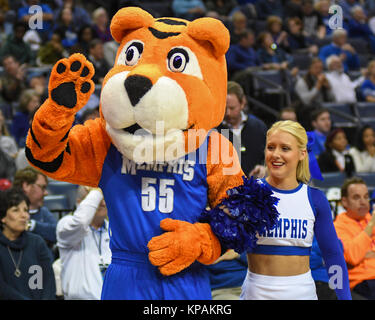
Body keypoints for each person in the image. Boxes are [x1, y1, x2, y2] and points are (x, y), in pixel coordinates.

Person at [240, 120, 351, 300]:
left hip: (302, 293)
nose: (276, 154)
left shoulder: (315, 199)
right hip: (256, 292)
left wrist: (344, 297)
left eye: (285, 148)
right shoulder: (249, 192)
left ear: (302, 153)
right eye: (271, 147)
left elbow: (332, 255)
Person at [0, 188, 56, 300]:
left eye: (26, 210)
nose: (24, 215)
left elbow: (48, 282)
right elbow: (2, 289)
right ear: (3, 217)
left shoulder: (37, 243)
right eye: (16, 210)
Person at [57, 186, 111, 300]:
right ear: (80, 203)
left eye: (104, 198)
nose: (103, 204)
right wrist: (97, 191)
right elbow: (81, 222)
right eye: (97, 199)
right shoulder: (65, 224)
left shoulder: (113, 230)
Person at [334, 177, 375, 299]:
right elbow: (353, 256)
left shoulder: (370, 218)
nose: (363, 202)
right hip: (364, 283)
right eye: (356, 197)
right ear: (344, 202)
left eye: (366, 196)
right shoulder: (338, 226)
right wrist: (371, 225)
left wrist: (367, 253)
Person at [217, 81, 267, 177]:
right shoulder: (214, 130)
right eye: (224, 108)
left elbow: (267, 156)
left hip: (254, 187)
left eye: (232, 108)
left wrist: (264, 168)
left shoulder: (259, 127)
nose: (228, 113)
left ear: (242, 103)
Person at [12, 167, 57, 259]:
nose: (46, 193)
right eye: (42, 187)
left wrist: (32, 225)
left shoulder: (43, 211)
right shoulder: (6, 212)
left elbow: (58, 233)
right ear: (26, 186)